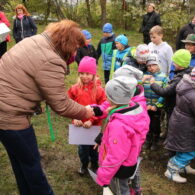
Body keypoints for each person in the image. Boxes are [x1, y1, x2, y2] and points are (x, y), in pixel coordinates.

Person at [0, 19, 94, 195]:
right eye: (75, 48)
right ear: (67, 43)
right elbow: (61, 104)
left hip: (4, 110)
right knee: (32, 165)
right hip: (10, 117)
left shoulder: (33, 40)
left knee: (20, 162)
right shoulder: (51, 60)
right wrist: (85, 112)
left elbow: (23, 78)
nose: (75, 52)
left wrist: (33, 103)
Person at [95, 74, 150, 195]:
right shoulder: (136, 109)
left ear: (113, 99)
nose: (106, 99)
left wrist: (103, 175)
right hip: (131, 159)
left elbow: (116, 156)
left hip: (118, 169)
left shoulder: (118, 125)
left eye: (107, 97)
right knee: (127, 185)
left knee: (120, 190)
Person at [68, 56, 106, 175]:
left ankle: (94, 164)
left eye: (88, 73)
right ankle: (84, 164)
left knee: (94, 148)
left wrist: (92, 120)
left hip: (93, 126)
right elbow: (68, 105)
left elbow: (104, 108)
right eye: (82, 73)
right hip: (79, 126)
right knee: (82, 149)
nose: (85, 76)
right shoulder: (74, 89)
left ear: (94, 75)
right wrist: (75, 118)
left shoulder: (99, 90)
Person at [164, 68, 195, 183]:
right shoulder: (193, 95)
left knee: (184, 147)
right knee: (190, 150)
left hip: (182, 122)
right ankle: (171, 170)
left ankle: (183, 167)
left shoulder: (186, 84)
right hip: (186, 125)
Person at [150, 49, 193, 132]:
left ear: (180, 64)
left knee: (172, 126)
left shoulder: (180, 78)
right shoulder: (188, 72)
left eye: (175, 62)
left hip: (173, 107)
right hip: (176, 107)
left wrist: (152, 84)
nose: (173, 63)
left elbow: (165, 92)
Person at [142, 54, 168, 150]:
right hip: (146, 105)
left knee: (155, 123)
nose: (151, 67)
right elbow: (142, 91)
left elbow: (164, 93)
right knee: (147, 123)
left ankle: (156, 139)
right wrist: (146, 104)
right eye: (149, 66)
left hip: (157, 106)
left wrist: (156, 105)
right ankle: (148, 138)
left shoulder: (164, 77)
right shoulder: (145, 77)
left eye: (153, 65)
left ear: (158, 65)